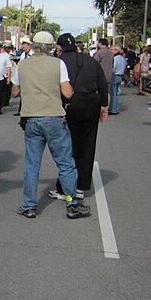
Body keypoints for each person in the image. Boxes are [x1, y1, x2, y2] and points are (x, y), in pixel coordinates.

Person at [11, 31, 91, 220]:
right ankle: (72, 202)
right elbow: (68, 93)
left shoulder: (22, 65)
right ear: (51, 47)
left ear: (34, 45)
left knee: (32, 165)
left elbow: (15, 92)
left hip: (31, 118)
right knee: (65, 163)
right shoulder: (58, 64)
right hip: (54, 117)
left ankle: (29, 205)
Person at [49, 33, 108, 200]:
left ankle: (64, 188)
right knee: (88, 144)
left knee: (68, 146)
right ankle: (82, 185)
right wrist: (104, 106)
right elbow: (102, 84)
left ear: (59, 47)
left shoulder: (59, 63)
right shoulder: (90, 60)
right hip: (92, 102)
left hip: (70, 104)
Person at [109, 45, 127, 115]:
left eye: (112, 50)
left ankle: (113, 109)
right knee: (116, 93)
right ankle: (116, 108)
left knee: (113, 93)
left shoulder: (115, 58)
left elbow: (114, 68)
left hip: (115, 75)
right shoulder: (122, 58)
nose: (110, 51)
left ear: (116, 50)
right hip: (120, 75)